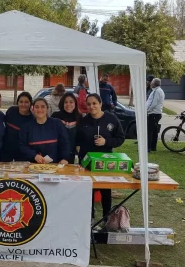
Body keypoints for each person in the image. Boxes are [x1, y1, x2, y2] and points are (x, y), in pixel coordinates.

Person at [77, 93, 125, 222]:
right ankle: (90, 218)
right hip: (86, 162)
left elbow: (120, 138)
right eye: (89, 104)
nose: (91, 106)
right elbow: (77, 140)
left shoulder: (111, 119)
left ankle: (106, 219)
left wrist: (106, 142)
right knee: (89, 190)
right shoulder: (83, 120)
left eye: (94, 103)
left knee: (105, 191)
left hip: (105, 162)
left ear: (100, 104)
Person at [19, 98, 70, 164]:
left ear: (47, 109)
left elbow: (65, 143)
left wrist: (64, 158)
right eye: (37, 107)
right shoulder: (26, 127)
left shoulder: (57, 124)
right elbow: (22, 145)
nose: (40, 109)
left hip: (55, 166)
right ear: (33, 109)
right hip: (33, 166)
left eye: (43, 107)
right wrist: (34, 155)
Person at [1, 92, 34, 162]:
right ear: (17, 102)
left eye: (26, 102)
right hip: (6, 151)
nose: (23, 104)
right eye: (21, 102)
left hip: (22, 155)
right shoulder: (11, 111)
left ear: (30, 103)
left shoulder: (32, 119)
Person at [51, 92, 81, 164]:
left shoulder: (79, 117)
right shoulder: (55, 116)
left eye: (71, 102)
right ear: (62, 103)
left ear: (75, 104)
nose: (68, 104)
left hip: (72, 155)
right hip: (56, 154)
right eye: (66, 102)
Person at [147, 78, 165, 152]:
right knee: (154, 131)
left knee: (150, 131)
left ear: (154, 84)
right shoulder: (159, 91)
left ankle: (148, 148)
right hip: (157, 113)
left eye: (152, 82)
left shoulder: (156, 91)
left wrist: (147, 110)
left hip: (153, 113)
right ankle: (153, 147)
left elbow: (153, 103)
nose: (150, 83)